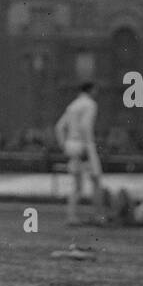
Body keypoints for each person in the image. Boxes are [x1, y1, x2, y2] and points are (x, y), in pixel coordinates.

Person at [55, 82, 103, 225]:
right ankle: (98, 217)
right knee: (96, 181)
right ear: (91, 90)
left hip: (71, 144)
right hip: (84, 145)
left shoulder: (73, 105)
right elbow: (85, 126)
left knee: (77, 185)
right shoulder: (89, 104)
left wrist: (64, 146)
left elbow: (59, 127)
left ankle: (71, 217)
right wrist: (86, 149)